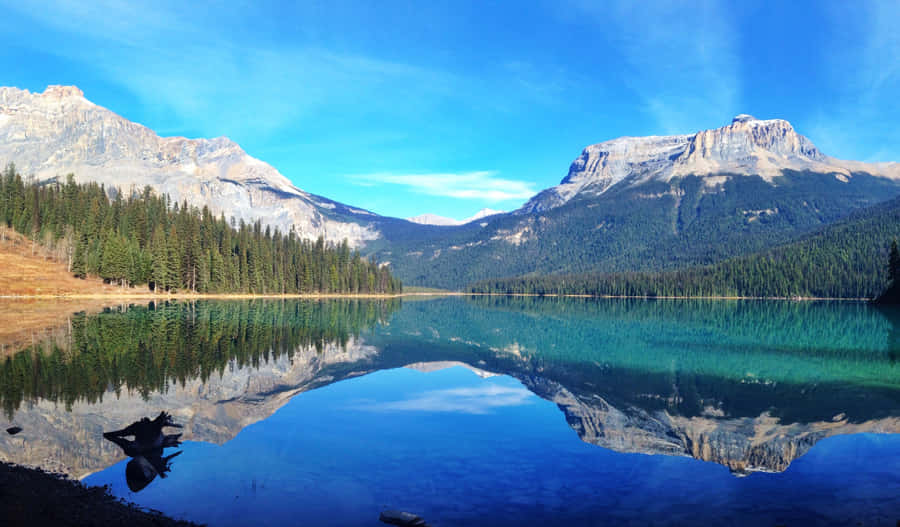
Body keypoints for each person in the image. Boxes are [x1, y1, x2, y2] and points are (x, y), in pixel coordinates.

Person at [103, 411, 183, 492]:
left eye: (150, 469)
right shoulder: (136, 449)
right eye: (152, 469)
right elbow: (109, 435)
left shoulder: (134, 449)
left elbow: (110, 435)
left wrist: (122, 433)